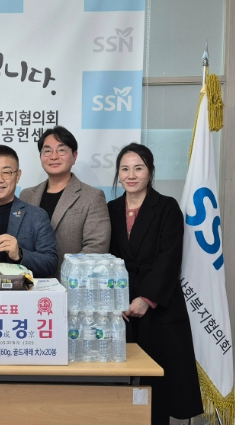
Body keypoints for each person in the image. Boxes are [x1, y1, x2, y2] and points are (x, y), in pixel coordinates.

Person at [107, 143, 203, 424]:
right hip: (122, 308)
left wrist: (146, 299)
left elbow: (169, 258)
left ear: (150, 172)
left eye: (138, 168)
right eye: (125, 169)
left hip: (158, 306)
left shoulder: (167, 207)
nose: (131, 175)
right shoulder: (111, 209)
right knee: (121, 385)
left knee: (158, 387)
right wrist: (116, 299)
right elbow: (106, 258)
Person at [20, 126, 110, 278]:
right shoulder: (26, 195)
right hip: (29, 283)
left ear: (74, 156)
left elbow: (96, 248)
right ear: (41, 156)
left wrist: (65, 278)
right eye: (47, 151)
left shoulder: (92, 197)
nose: (54, 156)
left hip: (70, 284)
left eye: (61, 150)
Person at [0, 145, 57, 277]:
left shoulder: (37, 216)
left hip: (19, 289)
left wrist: (19, 254)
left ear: (17, 176)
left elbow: (50, 263)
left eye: (6, 172)